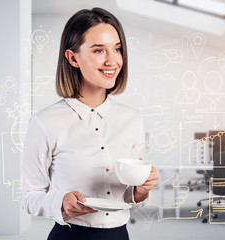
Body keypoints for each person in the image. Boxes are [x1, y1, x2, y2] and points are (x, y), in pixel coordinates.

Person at [20, 8, 158, 240]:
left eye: (117, 49)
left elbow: (128, 199)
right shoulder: (45, 122)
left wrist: (141, 191)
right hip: (70, 235)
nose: (112, 60)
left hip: (119, 235)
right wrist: (61, 203)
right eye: (98, 50)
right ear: (73, 58)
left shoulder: (132, 119)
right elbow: (28, 196)